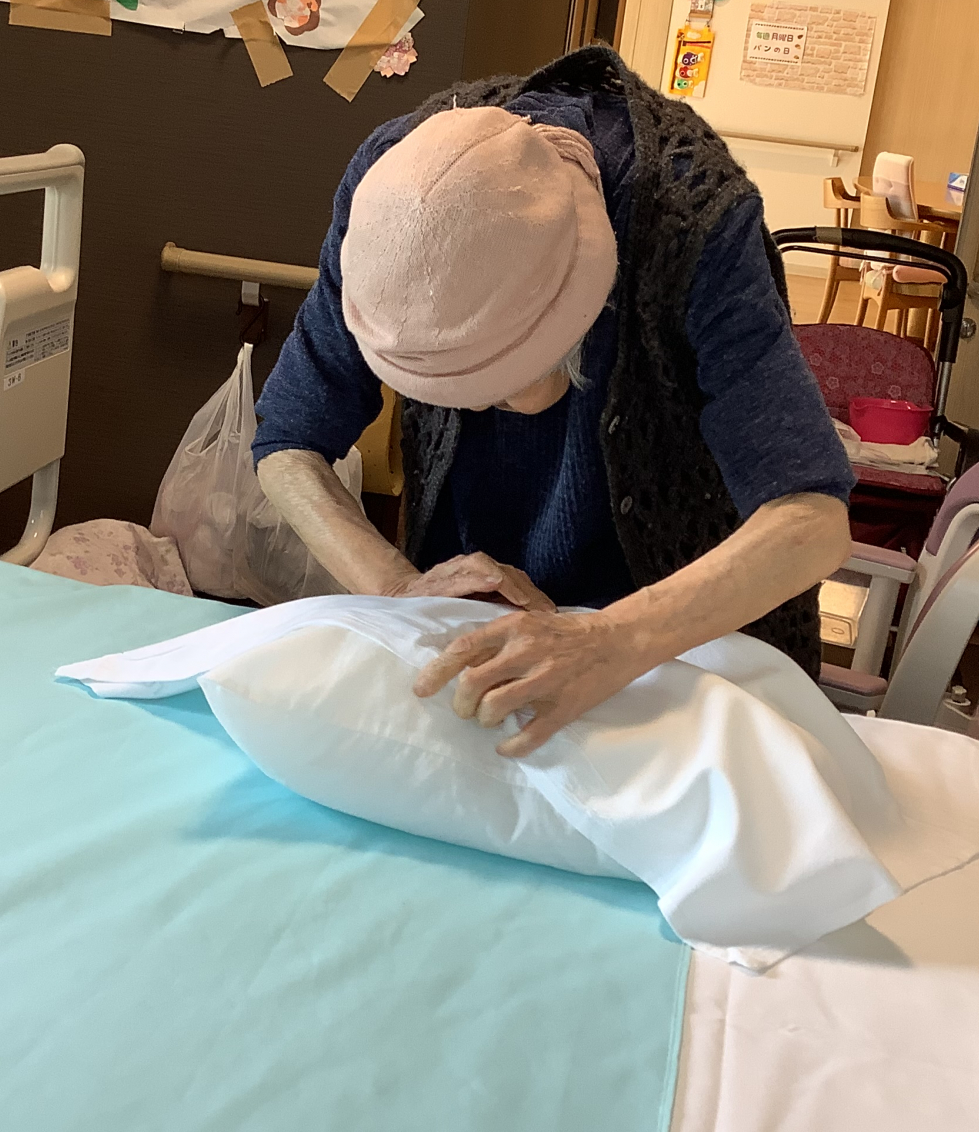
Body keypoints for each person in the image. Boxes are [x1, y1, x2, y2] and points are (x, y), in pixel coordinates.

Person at [254, 47, 854, 757]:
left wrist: (609, 638)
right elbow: (288, 443)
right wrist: (395, 591)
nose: (485, 411)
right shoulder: (395, 189)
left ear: (589, 303)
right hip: (481, 632)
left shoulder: (692, 220)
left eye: (502, 380)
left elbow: (811, 521)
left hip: (679, 640)